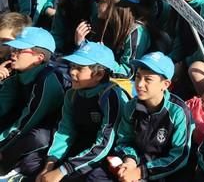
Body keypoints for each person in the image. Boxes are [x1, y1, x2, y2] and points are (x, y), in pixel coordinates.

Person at [37, 42, 130, 182]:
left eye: (79, 68)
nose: (71, 72)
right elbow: (66, 130)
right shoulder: (72, 94)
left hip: (107, 153)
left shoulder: (111, 97)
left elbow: (104, 143)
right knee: (38, 166)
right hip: (83, 146)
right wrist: (50, 164)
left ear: (98, 74)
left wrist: (62, 170)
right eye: (72, 66)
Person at [111, 52, 193, 181]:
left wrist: (141, 172)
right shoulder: (131, 106)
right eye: (138, 77)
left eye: (148, 79)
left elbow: (179, 156)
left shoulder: (178, 112)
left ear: (165, 84)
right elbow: (124, 140)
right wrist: (130, 160)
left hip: (165, 173)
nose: (139, 84)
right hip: (137, 165)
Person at [0, 28, 65, 180]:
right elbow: (2, 108)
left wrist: (2, 146)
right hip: (21, 127)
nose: (13, 53)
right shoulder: (17, 72)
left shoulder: (46, 80)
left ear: (39, 58)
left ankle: (11, 170)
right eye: (13, 48)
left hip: (43, 135)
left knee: (37, 140)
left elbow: (28, 121)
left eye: (20, 50)